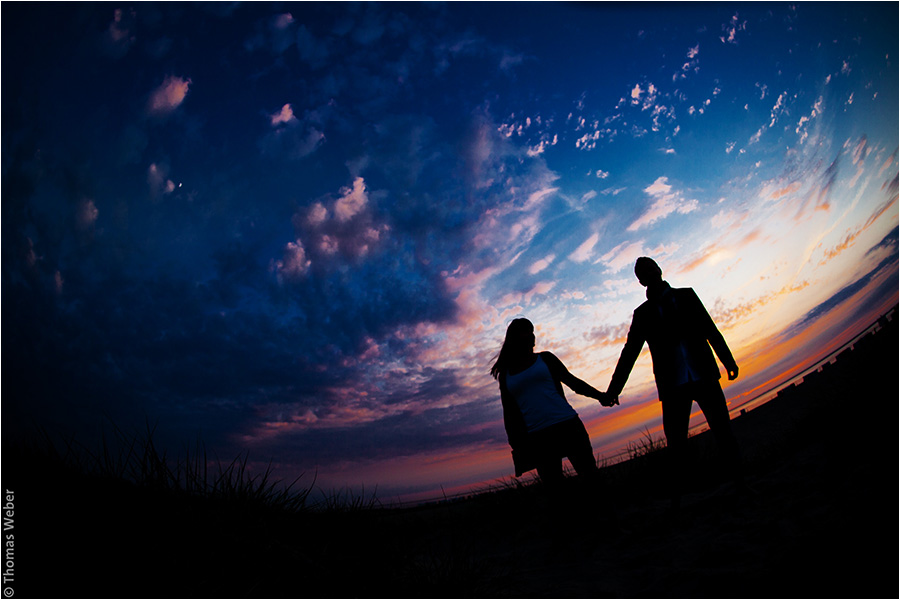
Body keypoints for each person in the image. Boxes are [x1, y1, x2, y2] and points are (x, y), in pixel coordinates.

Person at [606, 257, 744, 507]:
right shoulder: (643, 314)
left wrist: (728, 360)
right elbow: (630, 352)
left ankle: (741, 484)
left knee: (724, 432)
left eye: (650, 268)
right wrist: (615, 389)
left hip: (704, 376)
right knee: (677, 444)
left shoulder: (687, 296)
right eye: (642, 272)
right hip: (672, 387)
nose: (648, 273)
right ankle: (683, 498)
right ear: (640, 281)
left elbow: (709, 328)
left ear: (658, 270)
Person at [490, 317, 614, 485]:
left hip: (568, 425)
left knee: (591, 477)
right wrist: (515, 442)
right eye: (527, 332)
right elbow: (509, 412)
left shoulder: (546, 358)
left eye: (532, 332)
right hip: (538, 437)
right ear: (515, 337)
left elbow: (573, 383)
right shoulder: (506, 374)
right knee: (554, 489)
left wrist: (601, 396)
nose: (532, 336)